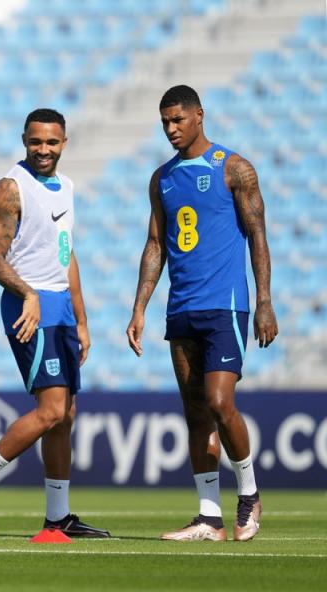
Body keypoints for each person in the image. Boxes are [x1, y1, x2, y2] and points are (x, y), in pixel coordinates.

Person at [127, 85, 277, 542]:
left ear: (199, 116)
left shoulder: (234, 168)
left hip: (226, 305)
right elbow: (156, 245)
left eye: (178, 120)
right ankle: (208, 518)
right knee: (196, 415)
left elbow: (257, 235)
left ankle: (248, 492)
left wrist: (265, 301)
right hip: (182, 308)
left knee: (218, 402)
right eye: (165, 122)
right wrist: (139, 308)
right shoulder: (163, 178)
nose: (171, 129)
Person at [0, 108, 110, 539]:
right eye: (36, 141)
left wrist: (81, 319)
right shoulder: (10, 188)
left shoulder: (67, 188)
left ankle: (58, 517)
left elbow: (66, 253)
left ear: (64, 143)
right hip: (29, 307)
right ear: (24, 139)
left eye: (52, 142)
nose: (43, 150)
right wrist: (29, 294)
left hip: (59, 307)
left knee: (66, 415)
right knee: (52, 409)